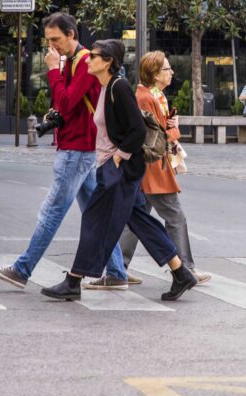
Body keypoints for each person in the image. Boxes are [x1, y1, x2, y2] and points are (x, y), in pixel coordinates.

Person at [40, 39, 197, 302]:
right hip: (115, 169)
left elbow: (136, 130)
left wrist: (118, 157)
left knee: (93, 219)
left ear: (109, 61)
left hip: (120, 170)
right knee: (140, 220)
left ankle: (73, 281)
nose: (89, 60)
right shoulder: (104, 88)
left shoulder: (119, 87)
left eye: (96, 56)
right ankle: (181, 273)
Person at [0, 12, 101, 289]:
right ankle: (117, 272)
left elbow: (66, 103)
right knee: (96, 214)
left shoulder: (84, 62)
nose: (52, 46)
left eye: (56, 39)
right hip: (80, 145)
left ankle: (22, 270)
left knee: (52, 212)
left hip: (77, 147)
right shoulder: (74, 61)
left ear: (71, 34)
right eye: (48, 40)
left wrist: (52, 70)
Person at [86, 51, 212, 289]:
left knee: (135, 219)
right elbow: (157, 137)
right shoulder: (146, 98)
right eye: (166, 69)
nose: (171, 72)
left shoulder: (156, 97)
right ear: (154, 74)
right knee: (174, 217)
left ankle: (119, 268)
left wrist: (170, 127)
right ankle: (185, 267)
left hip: (151, 169)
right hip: (153, 170)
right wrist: (173, 129)